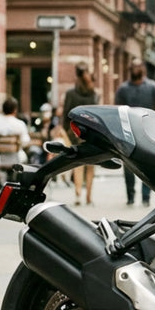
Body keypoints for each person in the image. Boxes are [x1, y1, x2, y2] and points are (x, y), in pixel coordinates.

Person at [115, 58, 155, 205]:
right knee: (129, 165)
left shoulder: (153, 87)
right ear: (130, 68)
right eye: (133, 66)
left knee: (147, 166)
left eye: (138, 66)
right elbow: (117, 110)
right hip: (127, 132)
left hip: (147, 131)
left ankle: (146, 197)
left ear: (143, 68)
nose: (136, 69)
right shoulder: (123, 89)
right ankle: (130, 196)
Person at [62, 62, 100, 205]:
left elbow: (66, 114)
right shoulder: (94, 94)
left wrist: (66, 130)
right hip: (91, 133)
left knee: (78, 163)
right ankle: (88, 196)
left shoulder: (70, 93)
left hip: (75, 132)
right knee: (91, 166)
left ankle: (78, 193)